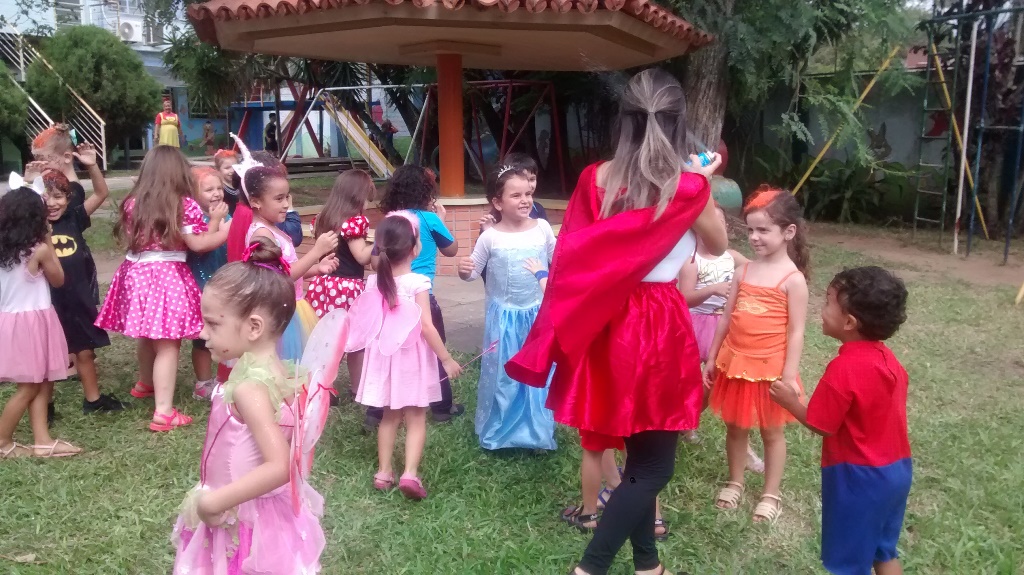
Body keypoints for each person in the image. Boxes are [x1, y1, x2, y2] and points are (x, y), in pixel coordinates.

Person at [507, 68, 728, 575]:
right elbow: (717, 245)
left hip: (605, 323)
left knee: (636, 456)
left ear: (623, 119)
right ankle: (591, 567)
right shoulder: (689, 186)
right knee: (653, 467)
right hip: (656, 324)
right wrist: (705, 183)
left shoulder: (595, 179)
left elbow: (572, 256)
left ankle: (648, 564)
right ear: (679, 122)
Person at [172, 237, 324, 573]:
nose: (203, 332)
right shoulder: (285, 377)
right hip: (268, 513)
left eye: (213, 323)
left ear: (254, 327)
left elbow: (280, 465)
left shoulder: (249, 388)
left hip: (238, 514)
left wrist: (214, 502)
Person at [770, 266, 911, 575]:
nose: (820, 310)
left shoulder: (843, 369)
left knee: (848, 564)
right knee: (883, 550)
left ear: (849, 322)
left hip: (858, 478)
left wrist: (790, 402)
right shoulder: (890, 361)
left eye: (827, 302)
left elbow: (821, 424)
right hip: (897, 472)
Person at [95, 146, 229, 432]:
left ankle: (145, 383)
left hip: (134, 272)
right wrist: (225, 230)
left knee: (148, 334)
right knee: (168, 343)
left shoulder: (133, 202)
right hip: (166, 275)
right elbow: (198, 245)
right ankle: (164, 412)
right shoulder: (184, 205)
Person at [704, 186, 810, 524]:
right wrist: (712, 357)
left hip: (771, 370)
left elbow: (796, 331)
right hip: (735, 363)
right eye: (750, 230)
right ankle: (735, 481)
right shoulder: (743, 271)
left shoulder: (793, 280)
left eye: (763, 230)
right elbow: (725, 318)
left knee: (771, 432)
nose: (754, 237)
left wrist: (789, 376)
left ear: (788, 232)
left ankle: (770, 494)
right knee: (735, 427)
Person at [346, 212, 462, 500]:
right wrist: (446, 358)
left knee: (389, 416)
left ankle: (383, 472)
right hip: (412, 360)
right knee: (416, 417)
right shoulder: (417, 283)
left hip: (385, 359)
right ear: (414, 249)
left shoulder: (374, 283)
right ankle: (409, 473)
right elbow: (426, 327)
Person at [458, 164, 556, 451]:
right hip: (504, 319)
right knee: (505, 373)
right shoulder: (490, 237)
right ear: (498, 202)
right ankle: (500, 430)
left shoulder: (542, 229)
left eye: (528, 194)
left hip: (536, 315)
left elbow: (557, 260)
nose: (525, 200)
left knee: (537, 369)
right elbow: (472, 273)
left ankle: (538, 431)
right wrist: (464, 270)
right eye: (516, 195)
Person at [226, 137, 338, 364]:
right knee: (284, 368)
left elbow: (285, 268)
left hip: (291, 307)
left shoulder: (271, 228)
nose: (286, 204)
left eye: (286, 197)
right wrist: (315, 252)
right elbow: (278, 278)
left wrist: (316, 268)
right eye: (279, 199)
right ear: (256, 201)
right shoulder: (261, 234)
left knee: (296, 369)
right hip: (279, 312)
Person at [371, 165, 463, 425]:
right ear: (425, 191)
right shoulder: (429, 219)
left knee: (388, 351)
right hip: (422, 296)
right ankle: (442, 408)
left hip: (391, 298)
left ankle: (375, 411)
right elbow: (452, 250)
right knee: (435, 347)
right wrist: (440, 220)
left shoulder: (390, 221)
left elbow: (375, 262)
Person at [678, 204, 763, 473]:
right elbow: (683, 298)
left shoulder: (732, 256)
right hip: (695, 325)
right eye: (707, 223)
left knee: (718, 381)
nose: (714, 229)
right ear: (696, 228)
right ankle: (682, 422)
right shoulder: (691, 261)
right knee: (690, 382)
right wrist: (712, 289)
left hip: (725, 325)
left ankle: (692, 422)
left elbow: (759, 272)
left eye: (720, 224)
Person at [41, 150, 126, 415]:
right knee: (49, 357)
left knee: (85, 351)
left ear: (68, 199)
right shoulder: (33, 226)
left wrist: (92, 166)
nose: (52, 203)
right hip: (47, 302)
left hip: (77, 299)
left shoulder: (74, 218)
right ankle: (45, 406)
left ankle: (93, 400)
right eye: (45, 197)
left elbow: (101, 193)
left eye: (58, 197)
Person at [0, 185, 81, 458]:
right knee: (30, 386)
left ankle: (42, 440)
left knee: (44, 379)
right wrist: (47, 238)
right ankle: (2, 440)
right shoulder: (39, 250)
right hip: (32, 321)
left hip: (11, 320)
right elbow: (58, 279)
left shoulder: (4, 251)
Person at [305, 170, 374, 393]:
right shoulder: (354, 222)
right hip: (347, 288)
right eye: (366, 198)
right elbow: (361, 256)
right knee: (356, 342)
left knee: (326, 340)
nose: (367, 204)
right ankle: (358, 388)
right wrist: (381, 242)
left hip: (323, 285)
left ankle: (323, 387)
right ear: (357, 197)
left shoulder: (323, 218)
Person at [186, 167, 232, 400]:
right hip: (200, 284)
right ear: (193, 194)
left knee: (226, 330)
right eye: (208, 189)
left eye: (219, 188)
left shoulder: (227, 216)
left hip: (223, 283)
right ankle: (203, 382)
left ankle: (226, 376)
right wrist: (215, 221)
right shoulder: (193, 219)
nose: (216, 193)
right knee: (202, 338)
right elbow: (201, 247)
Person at [214, 149, 240, 214]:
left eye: (235, 167)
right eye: (227, 168)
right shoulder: (220, 188)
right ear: (218, 169)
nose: (232, 171)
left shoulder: (241, 183)